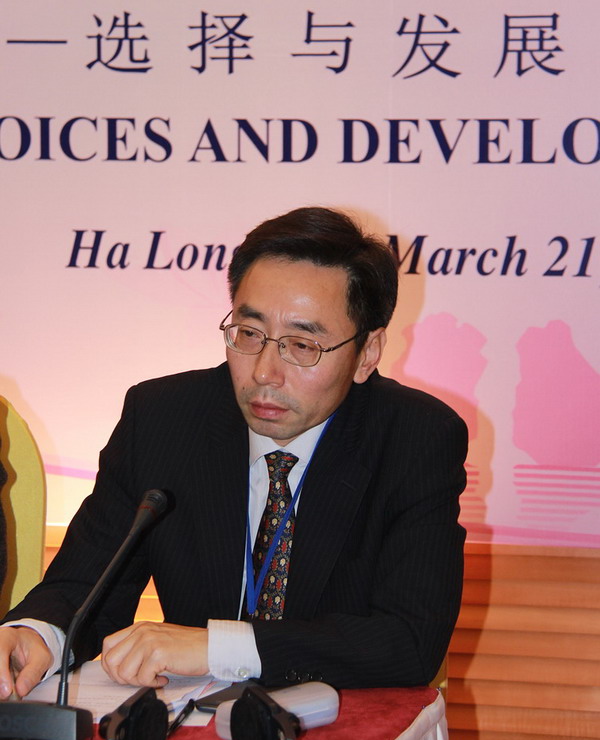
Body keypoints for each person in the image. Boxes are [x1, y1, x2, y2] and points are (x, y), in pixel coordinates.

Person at [0, 207, 467, 700]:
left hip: (342, 716)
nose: (265, 371)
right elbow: (85, 585)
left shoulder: (416, 438)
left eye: (302, 345)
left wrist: (220, 647)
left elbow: (409, 641)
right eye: (249, 334)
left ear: (367, 353)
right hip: (192, 718)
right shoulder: (162, 419)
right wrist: (37, 635)